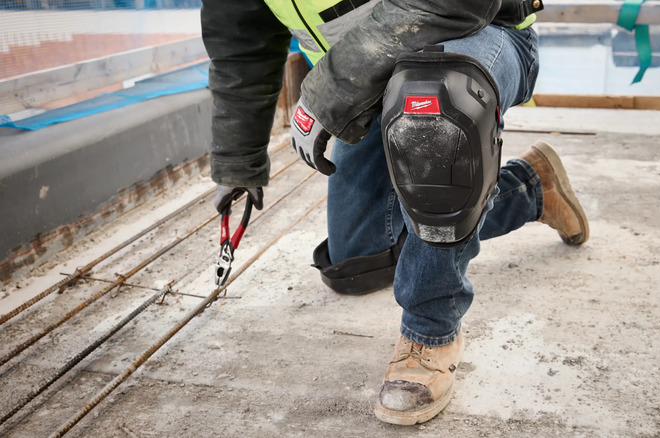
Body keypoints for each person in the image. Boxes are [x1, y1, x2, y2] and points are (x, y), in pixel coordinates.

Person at [201, 0, 589, 425]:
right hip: (364, 80)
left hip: (473, 39)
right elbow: (242, 48)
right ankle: (531, 188)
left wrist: (324, 95)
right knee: (357, 261)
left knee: (432, 108)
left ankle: (430, 332)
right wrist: (239, 162)